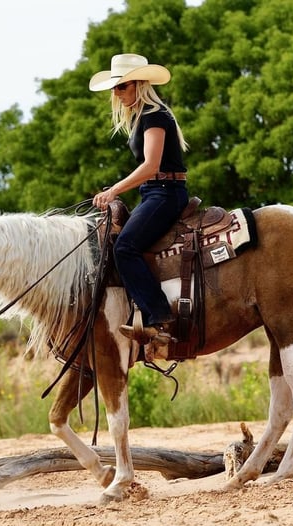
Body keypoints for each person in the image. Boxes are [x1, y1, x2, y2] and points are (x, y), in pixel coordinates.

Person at [89, 53, 189, 344]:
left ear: (139, 84)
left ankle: (158, 318)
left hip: (166, 193)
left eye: (121, 87)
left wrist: (114, 191)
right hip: (153, 193)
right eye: (114, 88)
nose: (116, 93)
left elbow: (151, 166)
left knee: (125, 248)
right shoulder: (142, 117)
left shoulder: (154, 115)